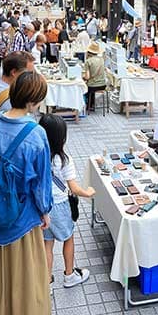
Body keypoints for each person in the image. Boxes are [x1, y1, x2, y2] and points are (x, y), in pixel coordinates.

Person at [0, 71, 53, 315]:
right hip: (22, 217)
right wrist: (45, 211)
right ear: (32, 101)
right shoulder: (36, 134)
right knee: (25, 276)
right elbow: (41, 183)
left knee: (0, 273)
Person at [38, 114, 95, 291]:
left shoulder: (37, 157)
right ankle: (69, 275)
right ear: (62, 137)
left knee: (47, 243)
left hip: (44, 207)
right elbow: (74, 188)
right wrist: (88, 192)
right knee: (68, 238)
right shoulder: (64, 159)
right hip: (60, 206)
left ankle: (47, 283)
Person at [83, 41, 107, 112]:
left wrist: (83, 77)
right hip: (103, 85)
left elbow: (87, 77)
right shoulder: (102, 59)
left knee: (87, 86)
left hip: (92, 86)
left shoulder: (88, 61)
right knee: (92, 84)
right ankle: (92, 105)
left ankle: (88, 105)